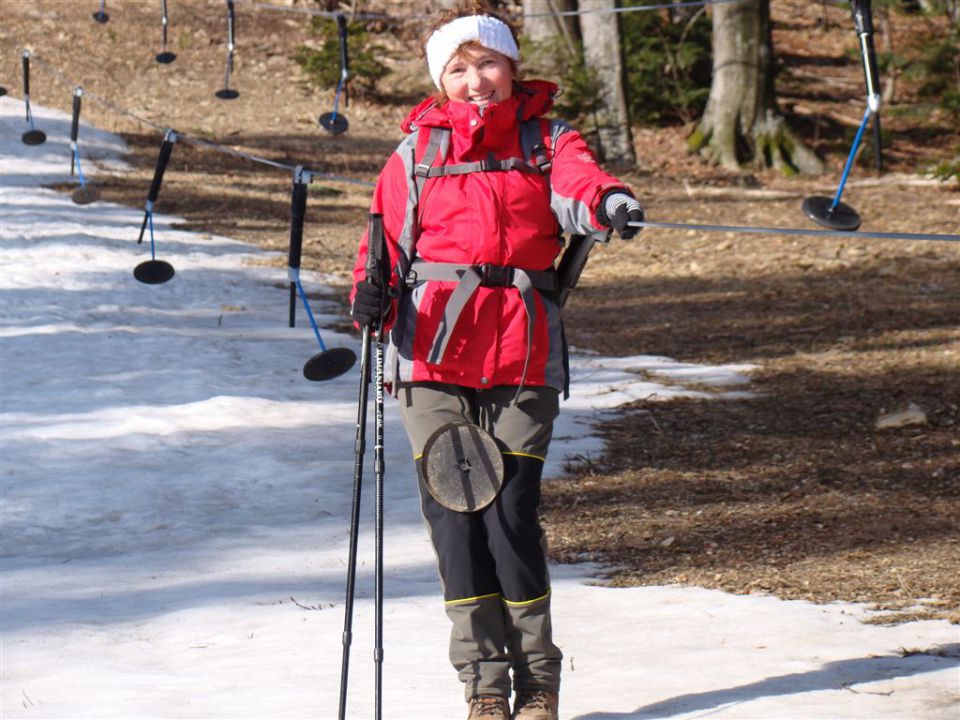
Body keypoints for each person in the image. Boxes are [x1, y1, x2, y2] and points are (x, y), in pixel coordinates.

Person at [350, 6, 643, 719]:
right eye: (458, 67)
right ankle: (483, 684)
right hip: (431, 354)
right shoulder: (415, 152)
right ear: (441, 79)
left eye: (487, 63)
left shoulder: (549, 141)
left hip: (522, 348)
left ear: (511, 68)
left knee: (510, 509)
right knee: (455, 516)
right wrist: (368, 291)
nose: (475, 80)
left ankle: (538, 678)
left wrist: (608, 203)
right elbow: (381, 237)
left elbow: (580, 187)